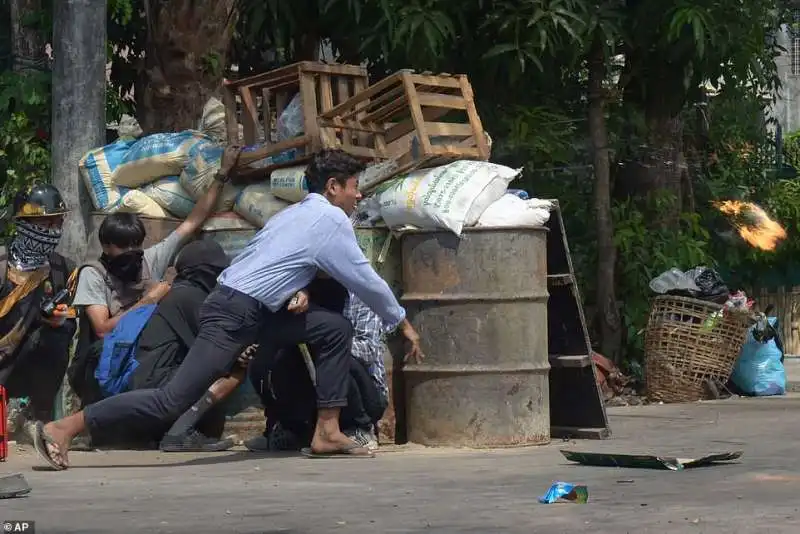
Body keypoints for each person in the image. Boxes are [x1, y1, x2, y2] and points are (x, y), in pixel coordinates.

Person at [31, 148, 423, 469]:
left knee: (332, 328)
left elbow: (278, 263)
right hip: (235, 313)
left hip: (251, 309)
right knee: (170, 400)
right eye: (354, 188)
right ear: (334, 187)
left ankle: (327, 430)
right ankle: (64, 427)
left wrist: (298, 289)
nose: (358, 196)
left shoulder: (292, 215)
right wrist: (401, 322)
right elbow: (362, 277)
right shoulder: (330, 219)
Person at [67, 145, 243, 411]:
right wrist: (148, 300)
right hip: (110, 359)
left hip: (149, 351)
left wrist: (221, 174)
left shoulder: (149, 259)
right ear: (106, 246)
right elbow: (102, 328)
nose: (130, 253)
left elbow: (192, 222)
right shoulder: (93, 274)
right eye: (122, 247)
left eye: (135, 245)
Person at [128, 239, 246, 452]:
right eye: (215, 272)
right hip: (157, 383)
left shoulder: (180, 292)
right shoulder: (190, 296)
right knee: (226, 371)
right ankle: (179, 433)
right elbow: (217, 348)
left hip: (149, 382)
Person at [245, 287, 389, 452]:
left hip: (364, 390)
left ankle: (359, 428)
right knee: (274, 357)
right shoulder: (297, 294)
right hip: (312, 382)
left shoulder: (361, 294)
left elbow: (369, 349)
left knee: (335, 358)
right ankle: (292, 429)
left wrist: (326, 343)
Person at [0, 184, 75, 425]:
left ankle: (37, 414)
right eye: (45, 224)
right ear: (23, 224)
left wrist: (61, 319)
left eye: (58, 223)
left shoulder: (63, 269)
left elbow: (73, 319)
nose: (53, 231)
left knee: (57, 335)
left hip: (28, 360)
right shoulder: (2, 264)